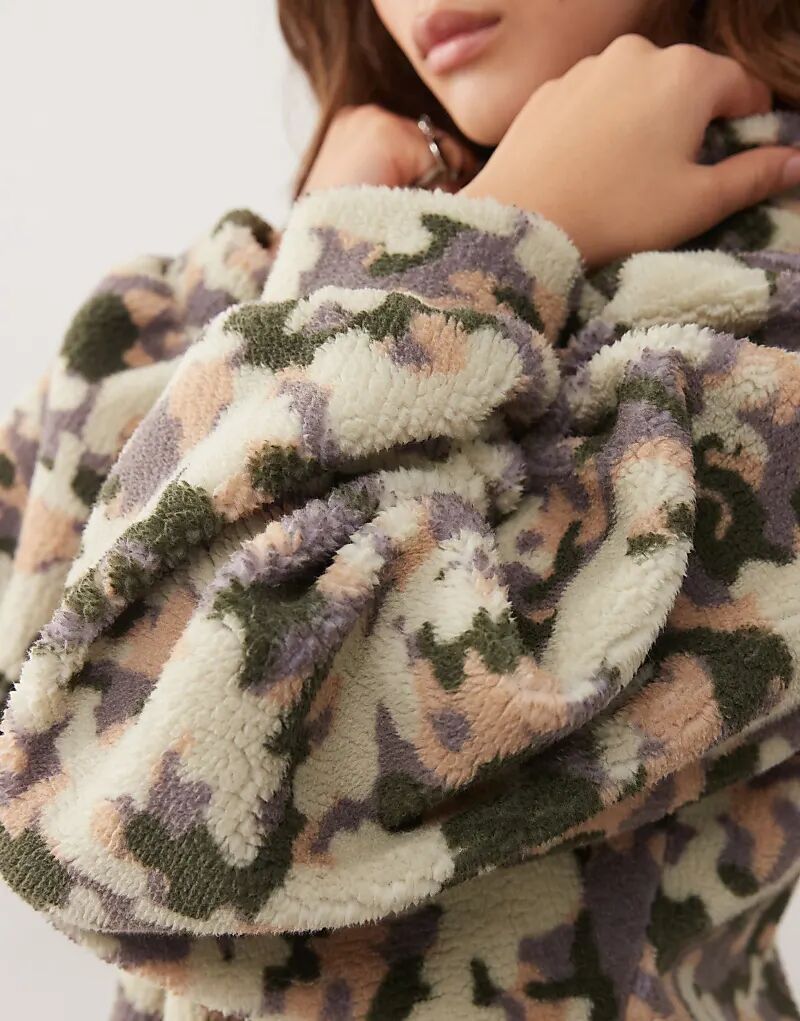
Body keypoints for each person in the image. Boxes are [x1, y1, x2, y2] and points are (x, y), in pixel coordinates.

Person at [0, 1, 799, 1018]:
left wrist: (419, 260)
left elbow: (123, 817)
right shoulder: (396, 250)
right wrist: (315, 262)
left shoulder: (760, 321)